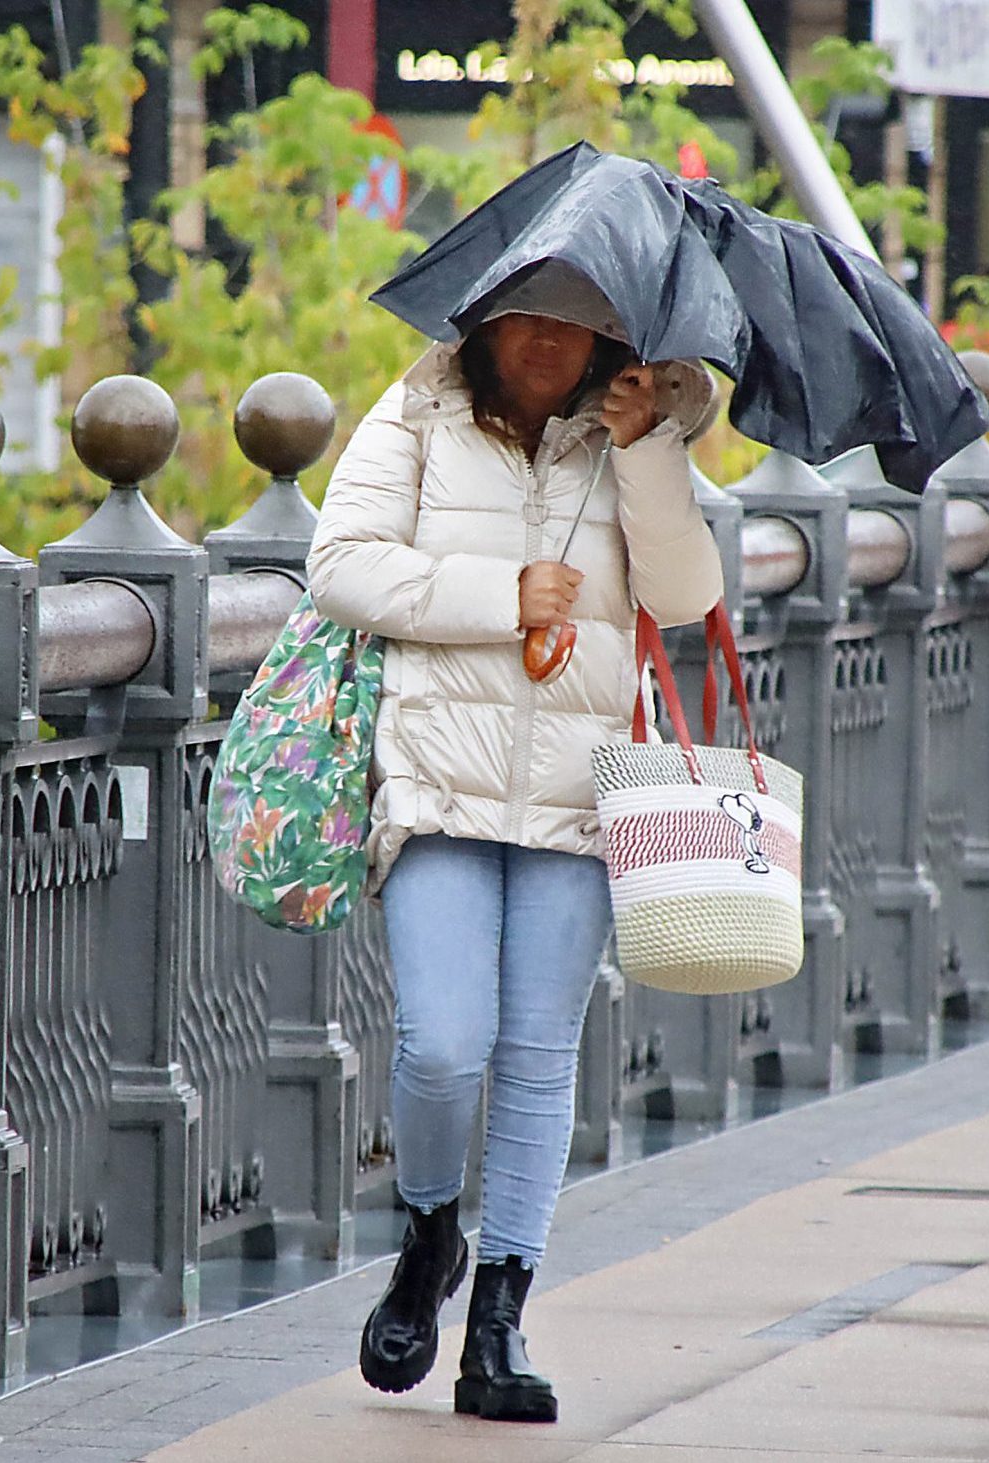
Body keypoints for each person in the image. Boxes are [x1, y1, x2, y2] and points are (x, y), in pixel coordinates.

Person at [306, 275, 725, 1424]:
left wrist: (648, 451)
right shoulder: (417, 412)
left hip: (578, 797)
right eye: (524, 314)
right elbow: (337, 562)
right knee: (442, 1044)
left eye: (575, 318)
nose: (547, 339)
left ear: (609, 332)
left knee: (539, 1054)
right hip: (438, 783)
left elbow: (686, 595)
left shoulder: (635, 424)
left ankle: (498, 1317)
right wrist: (505, 593)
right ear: (482, 320)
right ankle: (430, 1228)